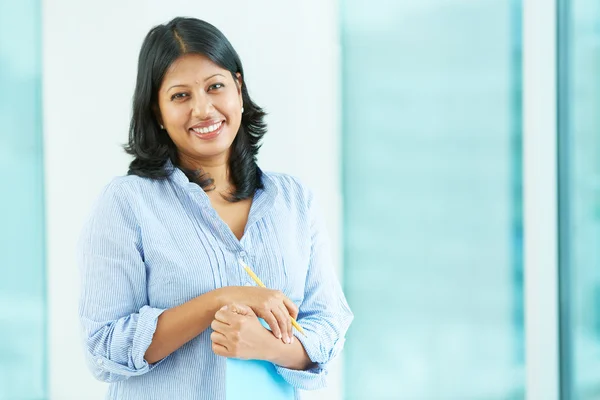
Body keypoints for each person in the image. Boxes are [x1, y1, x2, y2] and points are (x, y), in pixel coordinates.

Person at [77, 16, 353, 399]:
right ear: (157, 111)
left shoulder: (295, 200)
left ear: (238, 89)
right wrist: (221, 299)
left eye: (215, 87)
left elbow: (328, 323)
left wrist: (271, 347)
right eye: (180, 95)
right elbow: (103, 348)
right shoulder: (127, 204)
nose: (203, 109)